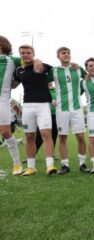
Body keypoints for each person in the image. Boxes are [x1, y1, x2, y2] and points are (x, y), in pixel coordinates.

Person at [13, 45, 57, 176]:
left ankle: (50, 165)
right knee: (29, 136)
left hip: (43, 105)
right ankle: (31, 167)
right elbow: (13, 85)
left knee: (46, 134)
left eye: (28, 52)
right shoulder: (18, 70)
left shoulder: (43, 66)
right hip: (27, 106)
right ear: (20, 55)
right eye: (23, 53)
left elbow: (60, 70)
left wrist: (38, 60)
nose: (25, 55)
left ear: (33, 54)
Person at [50, 47, 89, 174]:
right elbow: (43, 82)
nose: (66, 55)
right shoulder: (54, 70)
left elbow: (89, 77)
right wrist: (51, 97)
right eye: (63, 53)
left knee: (80, 137)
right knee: (62, 137)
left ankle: (82, 163)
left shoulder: (77, 69)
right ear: (58, 56)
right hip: (61, 109)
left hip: (77, 108)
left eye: (68, 53)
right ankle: (64, 165)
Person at [0, 35, 30, 175]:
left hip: (2, 100)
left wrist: (37, 60)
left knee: (5, 132)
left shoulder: (11, 60)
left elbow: (30, 60)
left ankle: (17, 165)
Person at [34, 82, 58, 160]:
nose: (49, 82)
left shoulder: (57, 90)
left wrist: (57, 102)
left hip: (55, 116)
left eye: (50, 81)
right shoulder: (42, 89)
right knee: (39, 136)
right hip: (43, 115)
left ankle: (51, 155)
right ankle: (32, 154)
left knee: (53, 136)